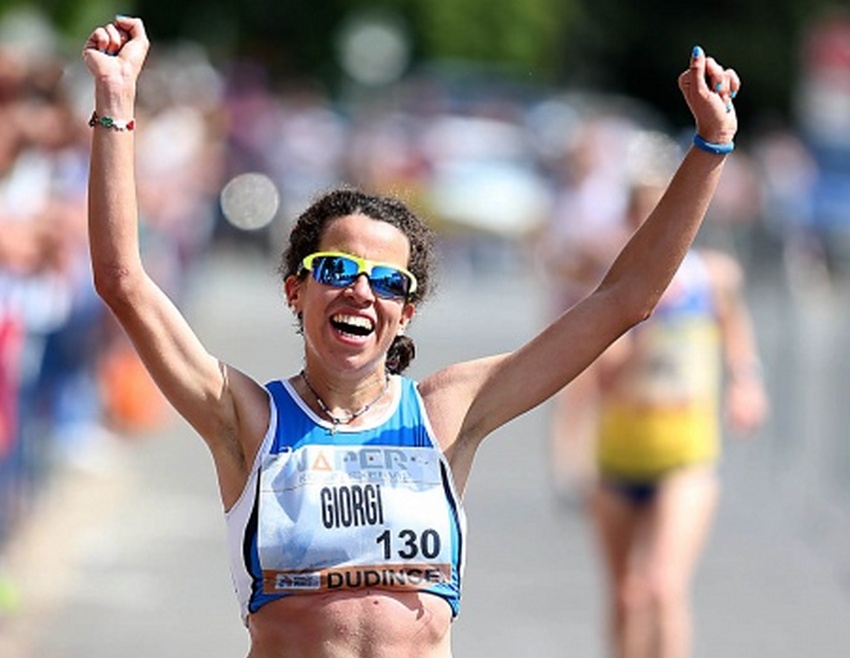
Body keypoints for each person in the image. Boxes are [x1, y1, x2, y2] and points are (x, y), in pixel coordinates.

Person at [83, 15, 740, 658]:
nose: (361, 291)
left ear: (407, 311)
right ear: (296, 290)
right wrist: (115, 101)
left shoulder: (445, 413)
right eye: (336, 270)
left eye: (387, 282)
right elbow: (123, 281)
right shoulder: (247, 418)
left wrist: (709, 149)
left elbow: (623, 301)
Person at [587, 140, 769, 658]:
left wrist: (746, 382)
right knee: (625, 596)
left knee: (664, 586)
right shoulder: (615, 292)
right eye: (645, 215)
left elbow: (735, 329)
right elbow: (600, 381)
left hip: (686, 454)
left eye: (666, 212)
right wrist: (638, 325)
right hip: (620, 455)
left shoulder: (713, 277)